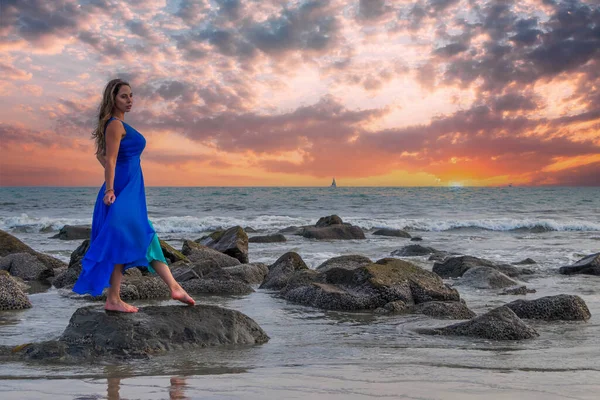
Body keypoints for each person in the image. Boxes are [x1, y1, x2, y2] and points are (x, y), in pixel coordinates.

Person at [73, 78, 195, 312]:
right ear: (113, 99)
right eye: (123, 96)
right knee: (143, 233)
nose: (129, 100)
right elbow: (108, 159)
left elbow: (102, 156)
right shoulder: (115, 125)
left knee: (130, 237)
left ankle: (116, 298)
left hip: (128, 188)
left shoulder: (116, 125)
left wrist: (118, 177)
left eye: (131, 95)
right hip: (120, 192)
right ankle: (171, 287)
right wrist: (110, 189)